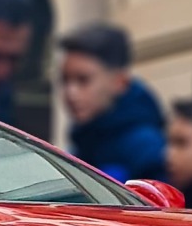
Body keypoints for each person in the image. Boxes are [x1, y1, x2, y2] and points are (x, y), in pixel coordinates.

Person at [56, 23, 168, 182]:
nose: (70, 92)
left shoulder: (147, 148)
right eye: (65, 80)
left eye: (83, 80)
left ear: (119, 82)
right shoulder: (82, 141)